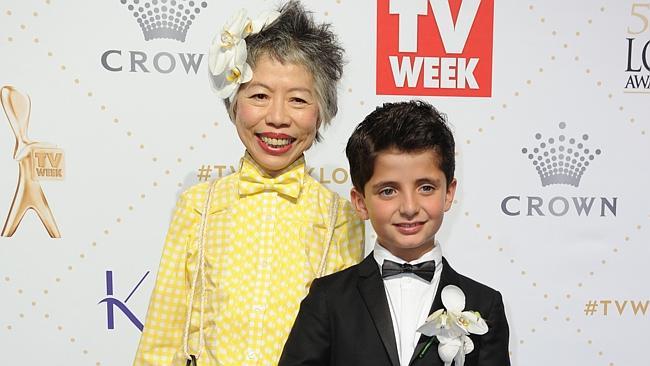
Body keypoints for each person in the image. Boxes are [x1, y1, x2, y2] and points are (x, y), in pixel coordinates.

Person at [133, 2, 364, 365]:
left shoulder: (341, 218)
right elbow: (163, 335)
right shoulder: (198, 205)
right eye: (259, 95)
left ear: (321, 113)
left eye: (298, 100)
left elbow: (345, 341)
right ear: (234, 103)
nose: (276, 117)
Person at [279, 101, 510, 366]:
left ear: (449, 193)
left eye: (426, 188)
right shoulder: (328, 299)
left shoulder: (485, 305)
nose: (409, 208)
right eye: (388, 190)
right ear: (360, 202)